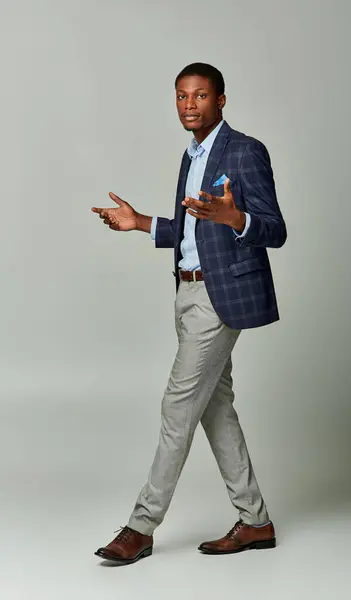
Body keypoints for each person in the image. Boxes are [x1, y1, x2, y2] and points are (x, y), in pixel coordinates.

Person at [91, 62, 287, 565]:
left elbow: (275, 229)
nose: (189, 105)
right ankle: (255, 521)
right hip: (186, 293)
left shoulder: (244, 150)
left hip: (221, 301)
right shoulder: (192, 154)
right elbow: (191, 233)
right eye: (181, 97)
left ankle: (141, 526)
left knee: (178, 407)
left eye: (199, 96)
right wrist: (140, 223)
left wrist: (236, 217)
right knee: (216, 410)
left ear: (220, 100)